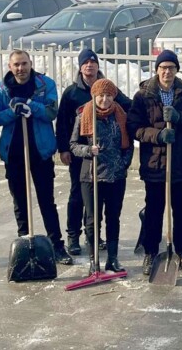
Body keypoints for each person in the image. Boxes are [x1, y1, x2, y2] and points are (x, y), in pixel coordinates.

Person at [0, 49, 73, 265]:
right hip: (14, 153)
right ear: (10, 67)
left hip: (40, 151)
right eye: (16, 64)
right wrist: (12, 111)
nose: (21, 68)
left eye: (24, 63)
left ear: (31, 63)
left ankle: (56, 245)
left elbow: (51, 112)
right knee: (20, 201)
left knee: (46, 200)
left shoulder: (45, 85)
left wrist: (30, 105)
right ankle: (25, 244)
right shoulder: (3, 88)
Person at [127, 49, 182, 274]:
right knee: (154, 209)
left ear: (176, 70)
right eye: (163, 68)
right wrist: (157, 135)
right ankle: (151, 252)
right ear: (157, 70)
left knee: (179, 209)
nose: (167, 72)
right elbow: (134, 127)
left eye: (171, 67)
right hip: (154, 163)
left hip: (180, 162)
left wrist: (179, 118)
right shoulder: (143, 95)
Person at [56, 48, 132, 256]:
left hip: (107, 158)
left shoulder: (108, 89)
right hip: (82, 155)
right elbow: (62, 123)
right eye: (85, 63)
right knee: (78, 196)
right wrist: (64, 149)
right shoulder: (71, 93)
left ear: (98, 66)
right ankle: (73, 235)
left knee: (99, 204)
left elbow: (128, 107)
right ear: (80, 67)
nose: (89, 65)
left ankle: (96, 238)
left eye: (93, 62)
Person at [70, 78, 132, 274]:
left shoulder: (120, 116)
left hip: (116, 176)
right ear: (94, 96)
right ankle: (94, 260)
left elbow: (129, 145)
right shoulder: (84, 116)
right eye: (100, 96)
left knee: (113, 217)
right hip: (91, 176)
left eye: (109, 95)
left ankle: (112, 259)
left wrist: (123, 163)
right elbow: (73, 145)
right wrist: (88, 150)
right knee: (92, 219)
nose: (105, 99)